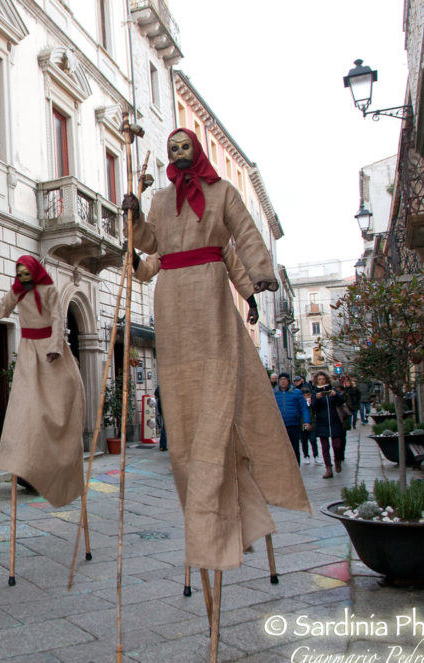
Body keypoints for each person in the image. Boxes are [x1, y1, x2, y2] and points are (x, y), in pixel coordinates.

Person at [121, 127, 310, 573]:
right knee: (185, 402)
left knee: (219, 391)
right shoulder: (161, 200)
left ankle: (226, 514)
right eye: (173, 149)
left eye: (185, 146)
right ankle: (205, 518)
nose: (179, 153)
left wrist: (256, 284)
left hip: (208, 294)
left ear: (197, 151)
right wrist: (130, 220)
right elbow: (150, 248)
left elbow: (240, 237)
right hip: (171, 302)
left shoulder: (222, 192)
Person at [0, 255, 85, 507]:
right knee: (25, 408)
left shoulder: (49, 290)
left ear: (34, 272)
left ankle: (57, 459)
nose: (23, 280)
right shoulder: (17, 291)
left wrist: (56, 346)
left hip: (50, 352)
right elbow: (1, 308)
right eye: (19, 275)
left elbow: (58, 319)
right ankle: (24, 462)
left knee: (55, 407)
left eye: (26, 275)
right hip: (28, 354)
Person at [311, 371, 346, 478]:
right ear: (317, 381)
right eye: (319, 379)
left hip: (334, 420)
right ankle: (328, 469)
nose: (321, 381)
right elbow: (313, 407)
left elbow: (341, 401)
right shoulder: (314, 392)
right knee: (325, 447)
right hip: (322, 422)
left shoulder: (332, 389)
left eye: (323, 379)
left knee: (338, 445)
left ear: (326, 379)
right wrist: (316, 399)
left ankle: (337, 460)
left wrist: (335, 395)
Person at [274, 373, 311, 464]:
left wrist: (306, 421)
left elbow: (304, 408)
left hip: (294, 424)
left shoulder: (296, 392)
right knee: (281, 449)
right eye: (281, 379)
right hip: (279, 426)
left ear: (288, 381)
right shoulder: (274, 393)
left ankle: (296, 467)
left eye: (284, 379)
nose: (282, 381)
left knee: (294, 448)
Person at [299, 387, 315, 465]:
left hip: (312, 424)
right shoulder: (300, 403)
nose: (306, 397)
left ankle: (316, 455)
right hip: (303, 424)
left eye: (307, 395)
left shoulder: (312, 402)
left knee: (313, 440)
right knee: (304, 440)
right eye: (304, 395)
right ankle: (306, 456)